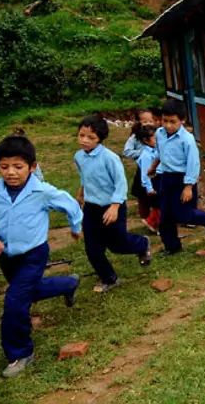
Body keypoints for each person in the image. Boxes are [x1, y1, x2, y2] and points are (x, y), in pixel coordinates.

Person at [0, 135, 83, 378]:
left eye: (18, 166)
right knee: (28, 292)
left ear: (32, 166)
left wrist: (75, 226)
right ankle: (68, 283)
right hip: (7, 257)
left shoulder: (41, 191)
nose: (11, 172)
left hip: (34, 254)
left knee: (14, 302)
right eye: (4, 166)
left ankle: (21, 353)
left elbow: (70, 205)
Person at [75, 115, 152, 292]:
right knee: (92, 247)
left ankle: (142, 244)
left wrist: (115, 206)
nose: (85, 140)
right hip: (91, 208)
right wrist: (81, 194)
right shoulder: (79, 157)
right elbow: (85, 177)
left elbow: (120, 183)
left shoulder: (109, 158)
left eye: (91, 137)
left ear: (100, 139)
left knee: (117, 244)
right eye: (81, 135)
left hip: (112, 207)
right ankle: (109, 278)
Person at [148, 100, 205, 255]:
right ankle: (172, 246)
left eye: (173, 122)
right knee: (165, 214)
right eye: (165, 121)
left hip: (183, 179)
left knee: (182, 214)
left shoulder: (187, 139)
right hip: (166, 177)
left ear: (182, 120)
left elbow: (193, 163)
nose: (168, 125)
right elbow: (160, 152)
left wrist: (188, 186)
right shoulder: (159, 134)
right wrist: (153, 166)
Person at [123, 108, 159, 230]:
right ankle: (146, 217)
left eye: (151, 121)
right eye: (145, 122)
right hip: (143, 168)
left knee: (157, 197)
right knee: (142, 195)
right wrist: (143, 152)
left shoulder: (157, 133)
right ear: (138, 122)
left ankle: (154, 220)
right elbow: (127, 152)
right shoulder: (135, 137)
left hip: (156, 170)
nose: (148, 124)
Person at [133, 124, 162, 232]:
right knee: (159, 205)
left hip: (158, 180)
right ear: (146, 140)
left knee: (160, 205)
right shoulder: (146, 155)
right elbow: (145, 174)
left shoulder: (156, 150)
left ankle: (153, 222)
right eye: (155, 139)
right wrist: (149, 188)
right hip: (152, 183)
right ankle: (156, 224)